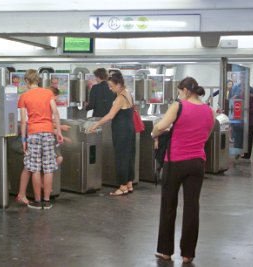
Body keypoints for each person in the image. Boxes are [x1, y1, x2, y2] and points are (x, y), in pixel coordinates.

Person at [151, 77, 215, 264]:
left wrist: (154, 133)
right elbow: (206, 135)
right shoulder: (209, 110)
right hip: (197, 163)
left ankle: (165, 251)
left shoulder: (179, 106)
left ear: (186, 91)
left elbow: (160, 127)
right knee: (192, 207)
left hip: (175, 162)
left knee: (168, 206)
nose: (179, 95)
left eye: (180, 91)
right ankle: (188, 254)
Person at [16, 86, 70, 205]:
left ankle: (37, 199)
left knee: (34, 168)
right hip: (47, 134)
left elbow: (24, 121)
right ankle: (46, 199)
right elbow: (55, 113)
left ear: (26, 81)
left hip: (32, 133)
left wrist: (24, 140)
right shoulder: (47, 94)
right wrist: (60, 132)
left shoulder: (25, 96)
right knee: (48, 168)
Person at [88, 71, 136, 195]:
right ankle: (129, 183)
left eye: (112, 86)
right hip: (130, 128)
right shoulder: (128, 93)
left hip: (121, 130)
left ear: (119, 84)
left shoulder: (120, 98)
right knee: (129, 156)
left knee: (121, 157)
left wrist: (96, 124)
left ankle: (122, 186)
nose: (110, 89)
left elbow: (110, 115)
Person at [241, 87, 253, 159]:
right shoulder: (245, 99)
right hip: (246, 122)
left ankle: (248, 155)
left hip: (251, 123)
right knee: (246, 139)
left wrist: (244, 110)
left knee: (249, 139)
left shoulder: (251, 98)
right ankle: (245, 153)